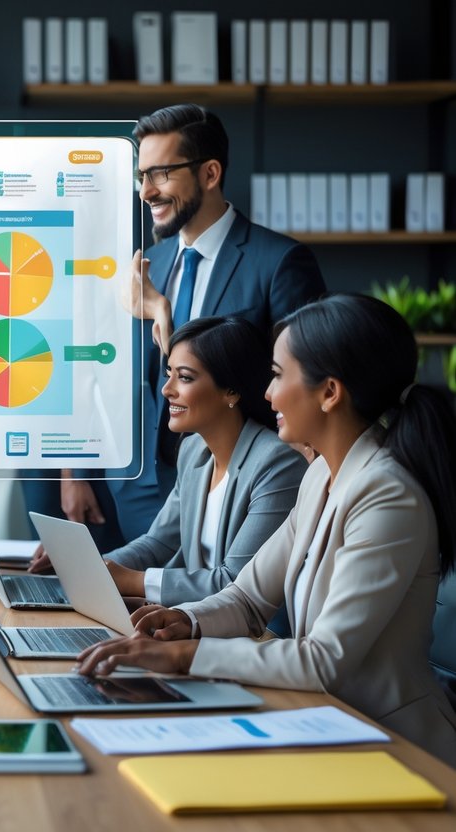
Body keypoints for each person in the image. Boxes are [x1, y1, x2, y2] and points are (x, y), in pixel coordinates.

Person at [76, 294, 456, 767]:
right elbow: (248, 597)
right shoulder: (321, 475)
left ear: (329, 392)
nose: (268, 393)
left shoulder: (387, 494)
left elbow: (323, 660)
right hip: (328, 721)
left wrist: (184, 656)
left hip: (397, 744)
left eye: (277, 375)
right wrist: (188, 621)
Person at [36, 103, 326, 549]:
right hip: (137, 483)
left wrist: (165, 319)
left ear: (210, 174)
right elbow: (97, 368)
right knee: (142, 610)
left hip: (235, 483)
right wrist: (75, 471)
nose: (146, 192)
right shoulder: (150, 263)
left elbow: (302, 383)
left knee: (216, 607)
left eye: (161, 174)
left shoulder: (280, 263)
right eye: (141, 176)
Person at [30, 316, 307, 607]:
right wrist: (86, 565)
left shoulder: (277, 463)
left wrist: (131, 580)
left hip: (251, 636)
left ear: (232, 391)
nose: (167, 389)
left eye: (185, 377)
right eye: (169, 373)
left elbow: (235, 582)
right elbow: (158, 543)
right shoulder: (193, 451)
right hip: (192, 622)